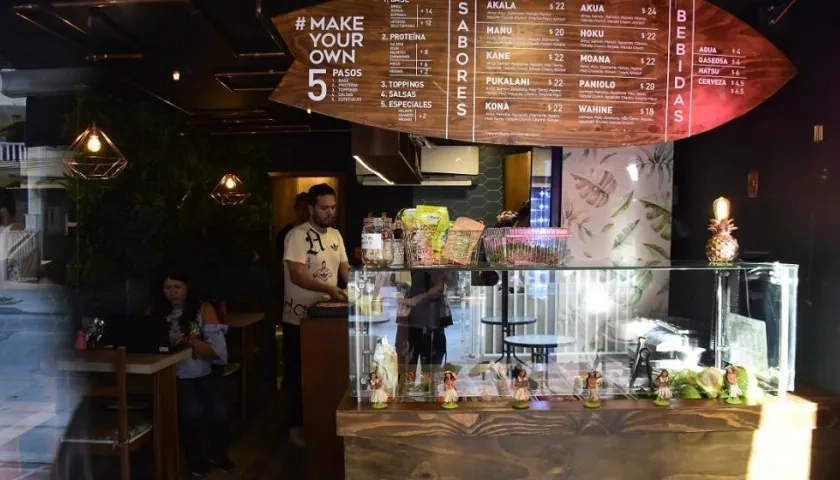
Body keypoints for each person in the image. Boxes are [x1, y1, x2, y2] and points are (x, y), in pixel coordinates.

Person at [150, 270, 234, 477]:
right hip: (173, 373)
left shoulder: (203, 309)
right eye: (168, 288)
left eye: (177, 287)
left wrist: (192, 341)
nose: (173, 293)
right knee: (191, 412)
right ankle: (194, 456)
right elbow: (147, 341)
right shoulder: (155, 310)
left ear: (188, 286)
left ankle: (216, 451)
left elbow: (218, 352)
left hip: (202, 370)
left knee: (221, 410)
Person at [282, 183, 349, 447]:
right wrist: (330, 289)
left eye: (333, 207)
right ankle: (297, 426)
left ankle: (322, 425)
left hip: (326, 319)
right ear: (311, 209)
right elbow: (296, 273)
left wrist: (363, 287)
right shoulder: (297, 236)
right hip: (298, 320)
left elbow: (345, 270)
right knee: (299, 376)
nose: (329, 212)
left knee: (324, 375)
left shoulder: (335, 235)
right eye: (324, 208)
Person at [275, 192, 310, 266]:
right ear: (296, 209)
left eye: (307, 207)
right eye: (302, 207)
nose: (305, 211)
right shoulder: (285, 233)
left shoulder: (316, 232)